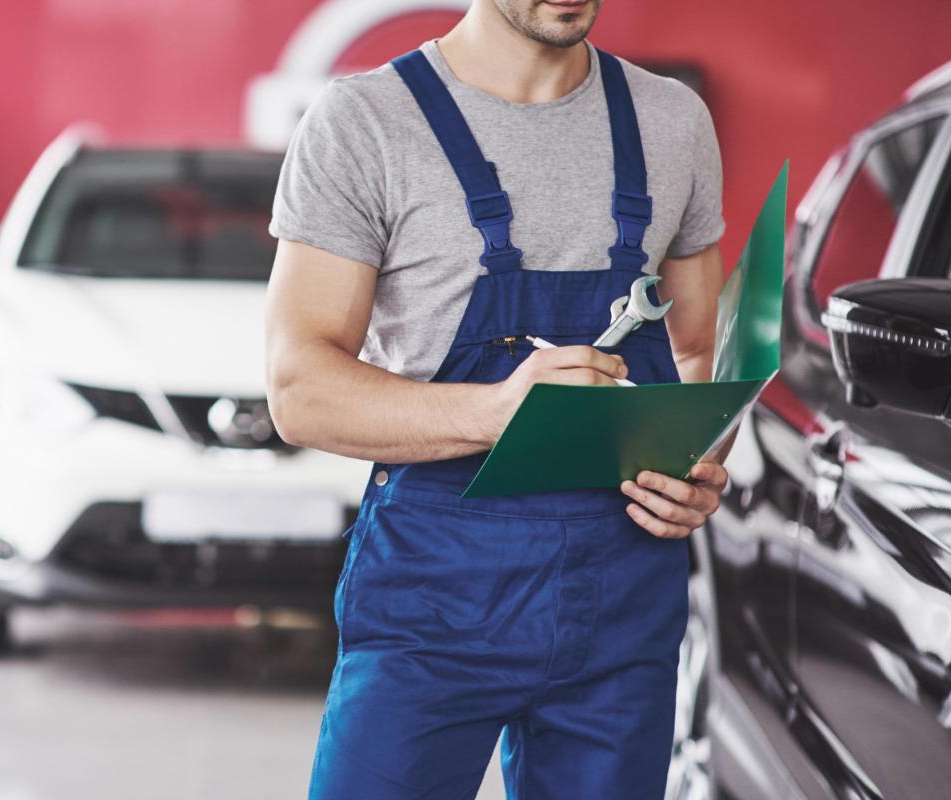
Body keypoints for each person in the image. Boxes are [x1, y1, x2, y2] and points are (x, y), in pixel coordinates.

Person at [264, 0, 730, 797]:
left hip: (624, 602)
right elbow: (301, 388)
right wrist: (497, 413)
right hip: (434, 600)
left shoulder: (672, 121)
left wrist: (695, 460)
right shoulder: (367, 121)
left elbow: (690, 348)